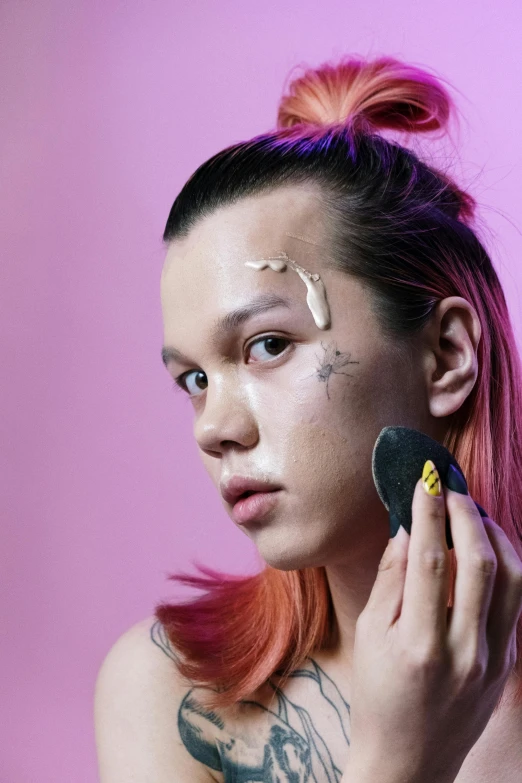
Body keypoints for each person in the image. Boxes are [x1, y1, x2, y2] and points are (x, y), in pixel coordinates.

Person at [94, 56, 522, 782]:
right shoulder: (173, 691)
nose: (212, 427)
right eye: (194, 379)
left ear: (448, 355)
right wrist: (399, 761)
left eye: (267, 345)